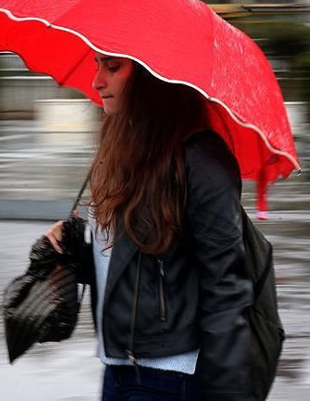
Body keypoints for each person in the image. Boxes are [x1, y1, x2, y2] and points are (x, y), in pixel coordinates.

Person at [45, 52, 254, 400]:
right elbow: (128, 265)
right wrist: (73, 254)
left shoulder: (199, 157)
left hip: (171, 376)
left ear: (151, 77)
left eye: (112, 68)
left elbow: (227, 284)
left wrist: (227, 392)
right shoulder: (122, 151)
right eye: (98, 66)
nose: (97, 81)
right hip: (117, 369)